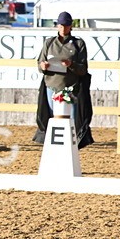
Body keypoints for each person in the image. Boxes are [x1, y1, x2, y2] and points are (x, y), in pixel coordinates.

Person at [32, 11, 95, 148]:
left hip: (70, 87)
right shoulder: (49, 43)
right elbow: (39, 63)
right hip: (51, 86)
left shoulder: (78, 44)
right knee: (52, 116)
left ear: (70, 26)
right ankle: (52, 143)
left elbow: (83, 69)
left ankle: (72, 144)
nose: (63, 28)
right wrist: (43, 66)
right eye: (61, 25)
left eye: (66, 26)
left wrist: (71, 64)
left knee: (70, 119)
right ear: (57, 26)